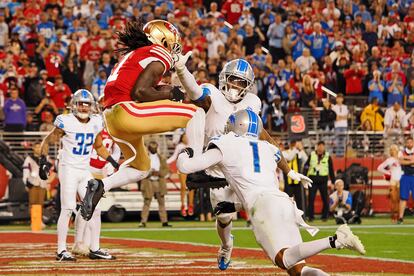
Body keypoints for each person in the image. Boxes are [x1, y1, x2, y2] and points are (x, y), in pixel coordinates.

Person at [176, 109, 365, 275]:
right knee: (298, 270)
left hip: (263, 207)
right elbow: (263, 185)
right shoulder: (266, 148)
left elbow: (186, 167)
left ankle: (336, 240)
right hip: (283, 202)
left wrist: (187, 151)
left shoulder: (225, 143)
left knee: (283, 260)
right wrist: (235, 205)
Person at [175, 54, 312, 270]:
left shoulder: (252, 102)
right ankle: (226, 244)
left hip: (243, 166)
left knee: (262, 204)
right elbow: (195, 93)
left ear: (248, 85)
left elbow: (263, 135)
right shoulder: (212, 94)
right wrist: (182, 71)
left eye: (240, 82)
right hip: (216, 167)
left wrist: (288, 170)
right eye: (232, 79)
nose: (235, 85)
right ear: (223, 78)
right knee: (224, 217)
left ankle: (289, 249)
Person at [80, 20, 206, 222]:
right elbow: (141, 91)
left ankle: (102, 185)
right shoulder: (158, 53)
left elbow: (137, 90)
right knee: (195, 114)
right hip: (126, 112)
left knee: (141, 168)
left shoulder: (134, 55)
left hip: (112, 118)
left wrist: (170, 92)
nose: (174, 48)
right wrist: (173, 92)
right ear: (162, 39)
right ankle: (199, 168)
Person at [39, 89, 118, 261]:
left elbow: (98, 146)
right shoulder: (66, 121)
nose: (83, 107)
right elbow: (48, 140)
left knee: (95, 209)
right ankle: (61, 250)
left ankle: (95, 248)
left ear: (92, 106)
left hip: (84, 170)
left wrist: (113, 161)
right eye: (80, 104)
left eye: (86, 104)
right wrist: (43, 159)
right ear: (74, 105)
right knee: (67, 209)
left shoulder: (96, 122)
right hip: (68, 169)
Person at [139, 141, 171, 228]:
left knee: (161, 203)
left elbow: (166, 170)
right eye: (152, 147)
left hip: (159, 182)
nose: (153, 148)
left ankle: (164, 221)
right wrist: (150, 173)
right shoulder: (145, 158)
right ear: (149, 148)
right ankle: (143, 221)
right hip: (148, 182)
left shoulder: (161, 158)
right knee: (147, 203)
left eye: (155, 147)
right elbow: (141, 170)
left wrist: (159, 173)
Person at [304, 141, 336, 222]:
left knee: (325, 199)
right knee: (311, 199)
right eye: (319, 146)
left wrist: (333, 182)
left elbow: (331, 169)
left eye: (322, 146)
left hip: (323, 180)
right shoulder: (312, 155)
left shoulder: (327, 156)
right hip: (313, 180)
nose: (321, 148)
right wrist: (304, 177)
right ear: (317, 147)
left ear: (324, 147)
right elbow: (306, 166)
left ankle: (325, 216)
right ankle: (310, 216)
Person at [23, 141, 50, 228]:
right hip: (32, 183)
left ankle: (39, 220)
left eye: (40, 147)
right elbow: (25, 172)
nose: (38, 149)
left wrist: (47, 182)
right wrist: (26, 183)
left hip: (42, 183)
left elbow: (47, 172)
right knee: (32, 203)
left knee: (40, 203)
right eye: (37, 147)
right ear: (33, 148)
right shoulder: (29, 159)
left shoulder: (45, 158)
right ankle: (33, 220)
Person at [166, 134, 194, 217]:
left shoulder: (192, 145)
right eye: (184, 137)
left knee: (191, 187)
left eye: (187, 137)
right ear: (181, 138)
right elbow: (174, 156)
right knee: (183, 187)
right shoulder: (179, 146)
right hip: (182, 168)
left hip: (191, 168)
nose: (186, 138)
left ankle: (191, 205)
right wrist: (165, 162)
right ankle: (183, 205)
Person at [282, 140, 308, 213]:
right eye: (294, 144)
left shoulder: (298, 152)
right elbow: (289, 158)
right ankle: (286, 215)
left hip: (298, 181)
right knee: (288, 199)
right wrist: (295, 149)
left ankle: (302, 215)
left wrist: (301, 150)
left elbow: (306, 160)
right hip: (288, 181)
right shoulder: (284, 153)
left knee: (300, 200)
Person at [378, 144, 402, 222]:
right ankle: (393, 216)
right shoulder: (389, 160)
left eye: (394, 149)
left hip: (401, 180)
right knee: (393, 199)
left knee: (400, 200)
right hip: (393, 181)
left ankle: (399, 216)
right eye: (391, 149)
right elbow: (379, 168)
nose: (393, 151)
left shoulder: (401, 158)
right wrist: (388, 173)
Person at [397, 136, 414, 224]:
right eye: (408, 142)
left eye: (411, 142)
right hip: (406, 176)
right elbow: (400, 161)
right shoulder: (402, 151)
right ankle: (400, 218)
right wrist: (411, 161)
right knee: (403, 198)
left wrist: (406, 158)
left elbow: (403, 159)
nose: (409, 144)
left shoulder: (404, 153)